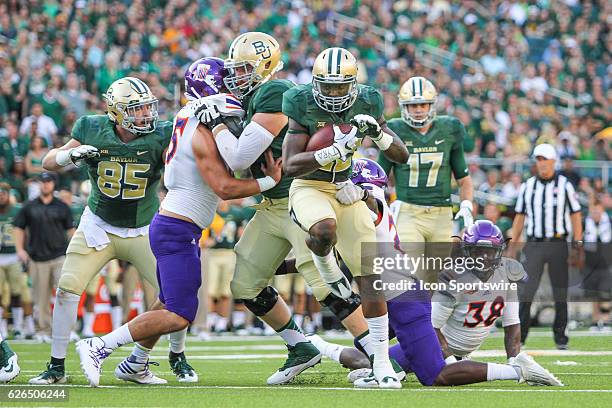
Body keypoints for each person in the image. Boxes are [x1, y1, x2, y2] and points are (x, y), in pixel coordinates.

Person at [75, 57, 281, 387]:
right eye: (227, 80)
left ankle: (137, 363)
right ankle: (100, 346)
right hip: (176, 228)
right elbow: (225, 188)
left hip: (177, 224)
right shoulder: (201, 128)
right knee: (180, 312)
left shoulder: (187, 117)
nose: (233, 86)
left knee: (168, 301)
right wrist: (269, 182)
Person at [194, 34, 376, 386]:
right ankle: (300, 347)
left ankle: (376, 352)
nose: (237, 76)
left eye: (244, 68)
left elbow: (240, 157)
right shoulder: (250, 98)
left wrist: (218, 124)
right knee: (245, 283)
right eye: (235, 69)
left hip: (295, 195)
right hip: (269, 204)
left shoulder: (275, 92)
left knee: (323, 281)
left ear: (264, 66)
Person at [310, 162, 562, 387]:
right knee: (368, 354)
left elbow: (371, 205)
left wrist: (361, 194)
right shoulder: (358, 218)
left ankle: (515, 370)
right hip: (392, 298)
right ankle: (317, 345)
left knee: (437, 375)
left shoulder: (370, 207)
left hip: (402, 299)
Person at [29, 77, 193, 385]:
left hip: (145, 226)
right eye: (137, 109)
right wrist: (70, 156)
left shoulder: (161, 135)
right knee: (66, 289)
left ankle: (177, 355)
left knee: (175, 294)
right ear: (116, 112)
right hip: (99, 227)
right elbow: (48, 161)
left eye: (147, 108)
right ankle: (56, 366)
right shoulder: (91, 127)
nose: (146, 115)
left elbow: (182, 167)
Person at [282, 47, 410, 388]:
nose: (335, 93)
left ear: (353, 84)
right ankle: (326, 265)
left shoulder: (368, 101)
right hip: (309, 186)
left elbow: (402, 155)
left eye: (341, 87)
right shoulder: (299, 102)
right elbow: (290, 165)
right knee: (323, 229)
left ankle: (381, 361)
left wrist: (380, 134)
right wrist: (331, 151)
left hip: (346, 187)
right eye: (328, 86)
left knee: (371, 277)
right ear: (315, 83)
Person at [379, 76, 474, 284]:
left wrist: (467, 204)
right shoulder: (394, 129)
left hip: (441, 213)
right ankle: (410, 316)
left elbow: (464, 179)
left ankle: (430, 318)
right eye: (413, 105)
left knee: (436, 277)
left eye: (423, 104)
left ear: (432, 104)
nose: (419, 109)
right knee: (412, 273)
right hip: (408, 212)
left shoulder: (450, 129)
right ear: (404, 107)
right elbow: (378, 177)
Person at [510, 143, 583, 349]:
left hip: (558, 243)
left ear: (553, 161)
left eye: (544, 159)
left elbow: (576, 214)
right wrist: (513, 245)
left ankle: (561, 338)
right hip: (534, 244)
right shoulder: (528, 186)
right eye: (538, 159)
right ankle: (520, 338)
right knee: (526, 291)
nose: (541, 164)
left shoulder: (565, 185)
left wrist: (578, 243)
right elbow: (520, 217)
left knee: (560, 292)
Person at [13, 172, 74, 344]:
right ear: (39, 184)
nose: (45, 185)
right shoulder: (29, 206)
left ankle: (67, 330)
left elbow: (71, 231)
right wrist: (20, 249)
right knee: (40, 297)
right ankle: (43, 330)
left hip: (59, 256)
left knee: (65, 293)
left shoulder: (62, 207)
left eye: (48, 182)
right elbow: (18, 228)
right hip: (37, 257)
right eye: (43, 182)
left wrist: (74, 253)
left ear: (53, 184)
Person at [582, 200, 611, 331]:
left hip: (607, 262)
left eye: (598, 211)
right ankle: (595, 320)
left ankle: (605, 321)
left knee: (606, 292)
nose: (595, 214)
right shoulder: (585, 223)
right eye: (593, 211)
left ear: (603, 211)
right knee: (593, 293)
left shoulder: (609, 222)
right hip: (591, 262)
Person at [0, 183, 24, 338]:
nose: (1, 197)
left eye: (3, 194)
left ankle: (18, 327)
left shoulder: (16, 211)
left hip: (14, 254)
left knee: (16, 292)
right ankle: (2, 328)